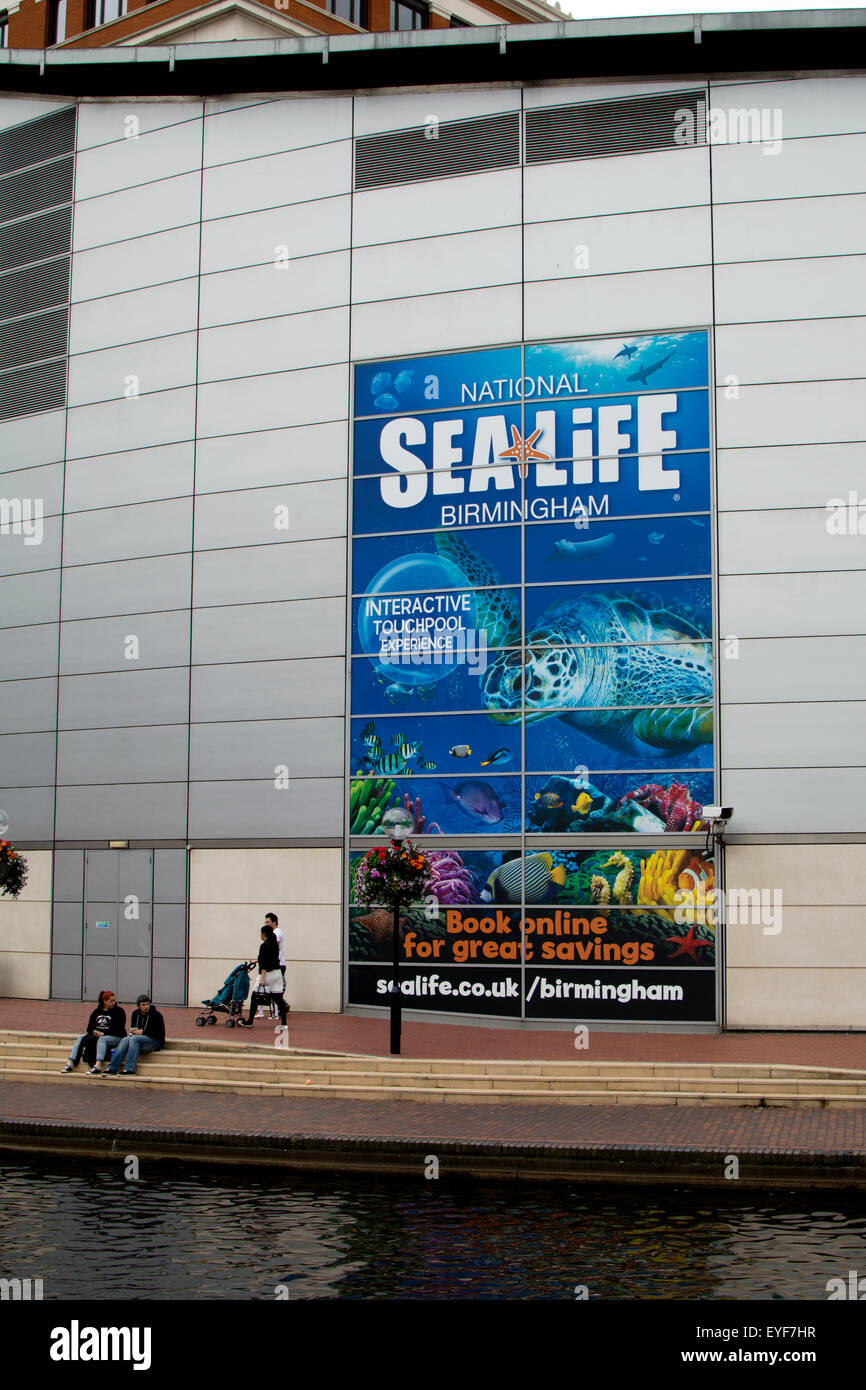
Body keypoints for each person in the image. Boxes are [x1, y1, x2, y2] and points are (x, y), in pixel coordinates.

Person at [61, 990, 127, 1074]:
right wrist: (94, 1032)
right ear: (104, 1001)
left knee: (102, 1039)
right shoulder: (97, 1012)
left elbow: (119, 1029)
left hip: (115, 1037)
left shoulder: (119, 1012)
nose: (113, 1003)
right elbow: (89, 1028)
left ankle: (98, 1064)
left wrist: (103, 1033)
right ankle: (70, 1062)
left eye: (114, 1000)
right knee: (81, 1038)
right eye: (111, 1001)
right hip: (98, 1036)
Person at [238, 923, 288, 1028]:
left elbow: (264, 963)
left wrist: (262, 978)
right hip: (277, 974)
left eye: (261, 933)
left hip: (267, 975)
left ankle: (250, 1021)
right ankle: (284, 1024)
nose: (260, 935)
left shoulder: (264, 945)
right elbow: (270, 959)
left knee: (254, 997)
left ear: (264, 934)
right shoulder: (275, 944)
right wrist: (257, 961)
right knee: (278, 999)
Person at [102, 994, 165, 1075]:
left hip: (155, 1042)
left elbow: (160, 1034)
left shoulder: (156, 1015)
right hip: (138, 1040)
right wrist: (133, 1031)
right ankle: (112, 1068)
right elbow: (133, 1028)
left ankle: (130, 1069)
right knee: (125, 1039)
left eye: (147, 1004)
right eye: (143, 1005)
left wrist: (143, 1032)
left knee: (134, 1039)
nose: (146, 1007)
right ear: (139, 1005)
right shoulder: (135, 1014)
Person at [265, 911, 290, 1033]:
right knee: (277, 990)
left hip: (278, 965)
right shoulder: (274, 933)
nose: (267, 924)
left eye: (268, 922)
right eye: (265, 922)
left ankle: (281, 1008)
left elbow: (274, 947)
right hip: (278, 964)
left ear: (274, 922)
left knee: (276, 990)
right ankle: (282, 1006)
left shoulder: (276, 933)